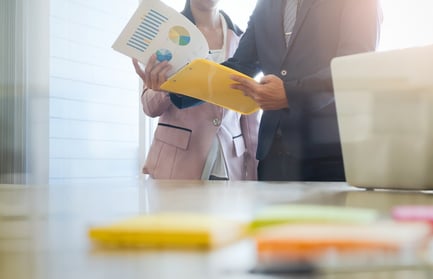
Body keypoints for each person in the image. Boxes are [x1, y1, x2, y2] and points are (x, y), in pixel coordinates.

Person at [223, 0, 383, 181]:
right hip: (272, 156)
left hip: (329, 155)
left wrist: (290, 95)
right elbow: (240, 66)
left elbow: (354, 66)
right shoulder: (266, 3)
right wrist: (186, 78)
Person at [133, 0, 259, 180]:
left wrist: (254, 173)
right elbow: (149, 106)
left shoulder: (244, 40)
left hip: (229, 162)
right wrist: (168, 88)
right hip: (177, 162)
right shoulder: (166, 34)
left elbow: (250, 115)